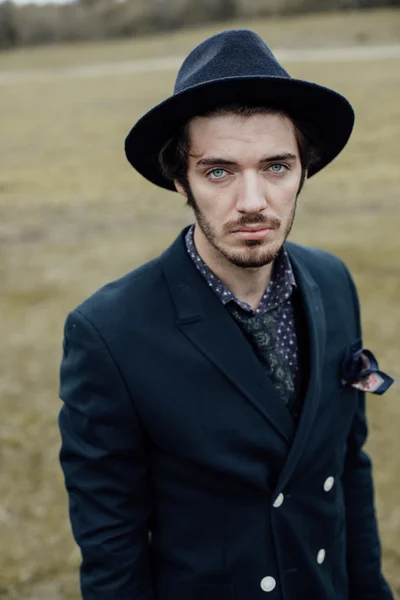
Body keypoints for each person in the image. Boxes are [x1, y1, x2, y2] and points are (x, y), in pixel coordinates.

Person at [58, 29, 395, 600]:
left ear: (303, 171)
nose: (253, 201)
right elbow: (113, 554)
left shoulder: (334, 282)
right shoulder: (108, 334)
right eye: (219, 171)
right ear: (179, 178)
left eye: (276, 167)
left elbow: (347, 471)